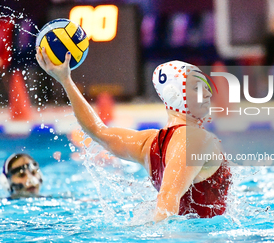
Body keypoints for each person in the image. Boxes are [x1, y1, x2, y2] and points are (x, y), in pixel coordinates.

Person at [35, 48, 231, 221]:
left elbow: (97, 132)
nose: (207, 93)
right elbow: (166, 205)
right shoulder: (194, 139)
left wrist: (66, 81)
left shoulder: (148, 144)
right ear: (175, 95)